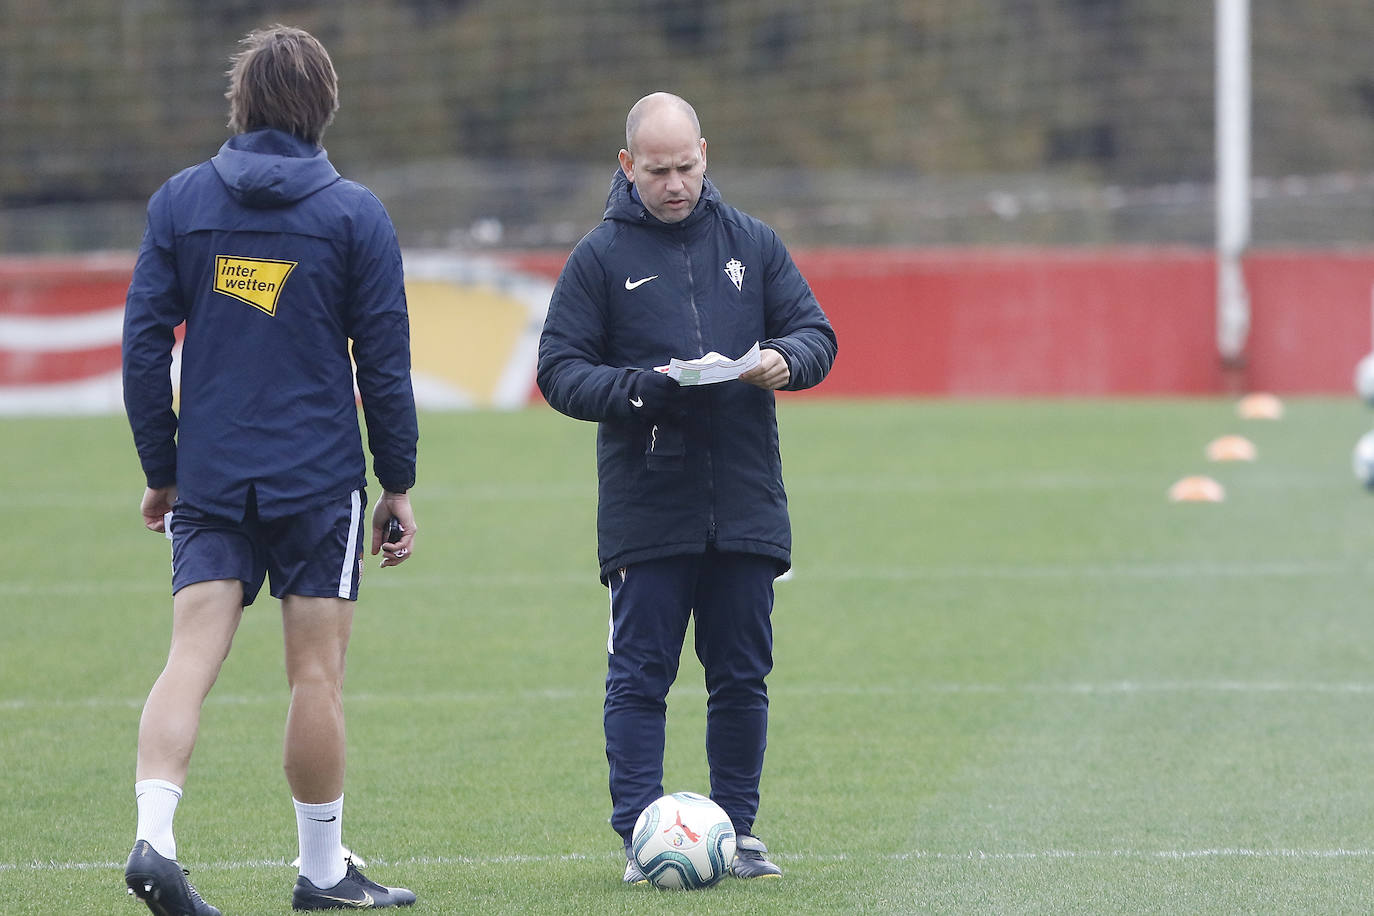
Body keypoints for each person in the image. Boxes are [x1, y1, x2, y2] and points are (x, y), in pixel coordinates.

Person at [121, 25, 419, 914]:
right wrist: (396, 483)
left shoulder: (180, 202)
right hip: (316, 481)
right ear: (323, 107)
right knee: (314, 676)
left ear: (239, 105)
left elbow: (142, 349)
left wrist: (161, 467)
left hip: (211, 475)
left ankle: (154, 835)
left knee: (188, 658)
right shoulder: (355, 214)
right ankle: (323, 874)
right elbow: (387, 366)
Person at [536, 91, 838, 884]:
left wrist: (787, 360)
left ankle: (737, 832)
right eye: (658, 170)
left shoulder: (753, 242)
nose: (676, 184)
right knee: (640, 676)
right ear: (626, 165)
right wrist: (639, 390)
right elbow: (559, 371)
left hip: (745, 498)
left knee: (742, 675)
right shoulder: (598, 258)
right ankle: (642, 839)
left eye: (688, 166)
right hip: (648, 502)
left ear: (706, 152)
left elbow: (817, 332)